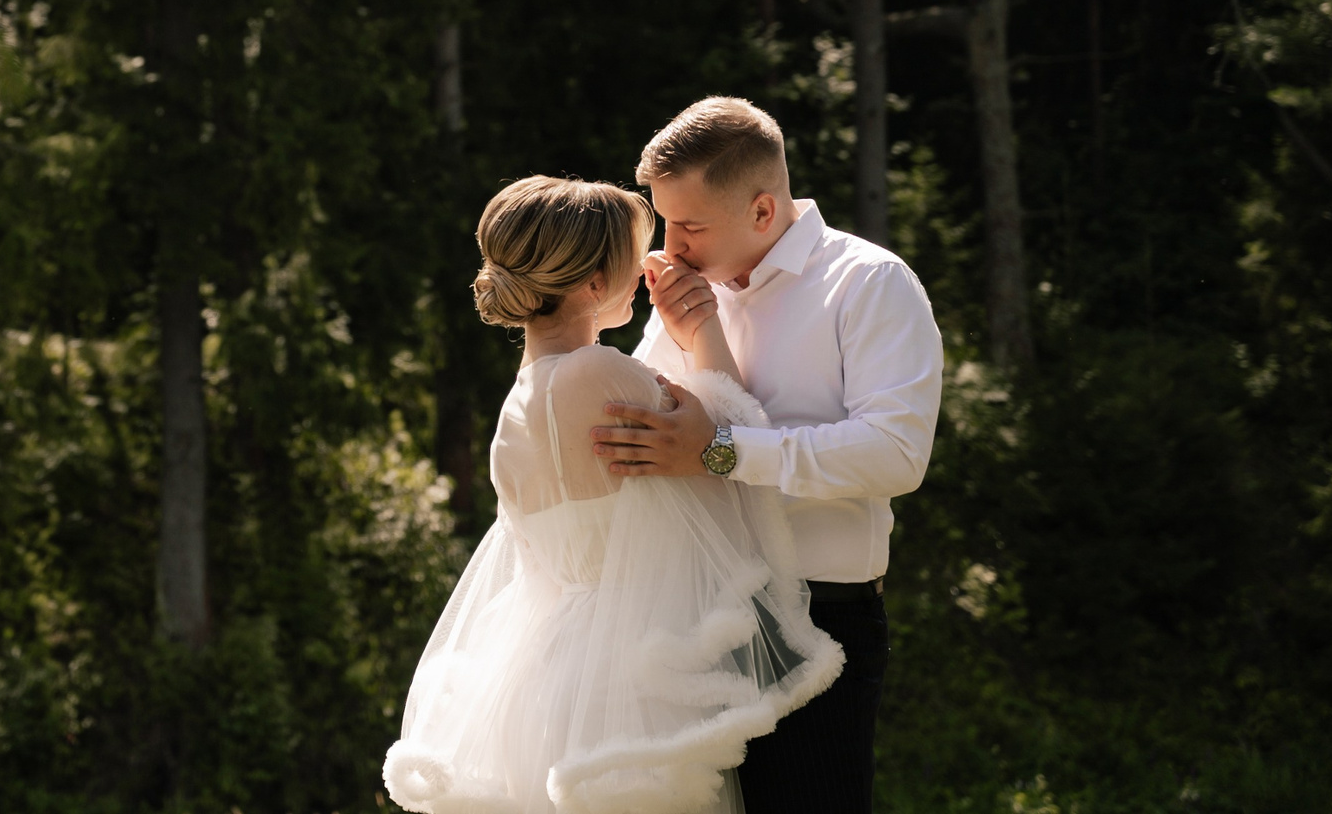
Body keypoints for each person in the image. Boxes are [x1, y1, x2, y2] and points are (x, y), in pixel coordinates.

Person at [385, 176, 843, 814]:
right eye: (636, 257)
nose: (650, 270)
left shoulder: (514, 409)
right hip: (628, 676)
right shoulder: (601, 374)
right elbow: (733, 447)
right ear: (595, 285)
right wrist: (704, 325)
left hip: (547, 674)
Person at [590, 98, 944, 814]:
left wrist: (722, 452)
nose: (671, 244)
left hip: (820, 618)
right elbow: (648, 430)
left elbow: (896, 454)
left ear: (760, 211)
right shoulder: (687, 291)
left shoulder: (869, 284)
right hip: (687, 617)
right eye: (664, 220)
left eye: (688, 225)